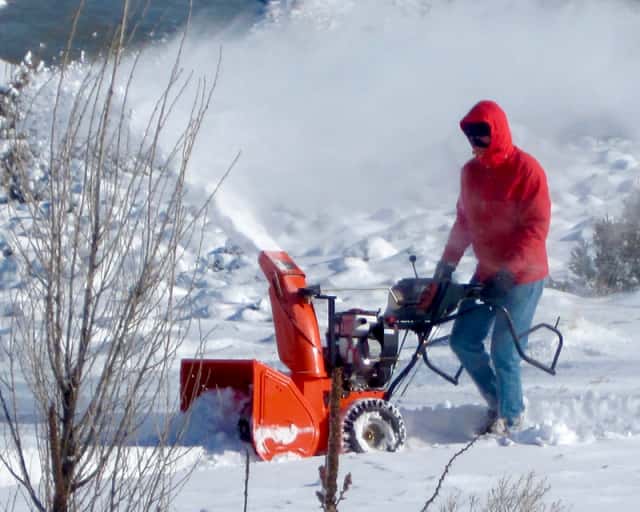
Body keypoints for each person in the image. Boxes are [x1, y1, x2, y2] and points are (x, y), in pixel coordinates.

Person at [434, 100, 551, 434]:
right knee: (463, 340)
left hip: (523, 276)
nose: (475, 145)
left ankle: (511, 420)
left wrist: (509, 271)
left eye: (481, 137)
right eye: (471, 138)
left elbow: (536, 229)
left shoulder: (526, 171)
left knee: (504, 351)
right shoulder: (470, 173)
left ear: (496, 133)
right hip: (488, 272)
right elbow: (464, 223)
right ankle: (499, 402)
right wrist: (446, 265)